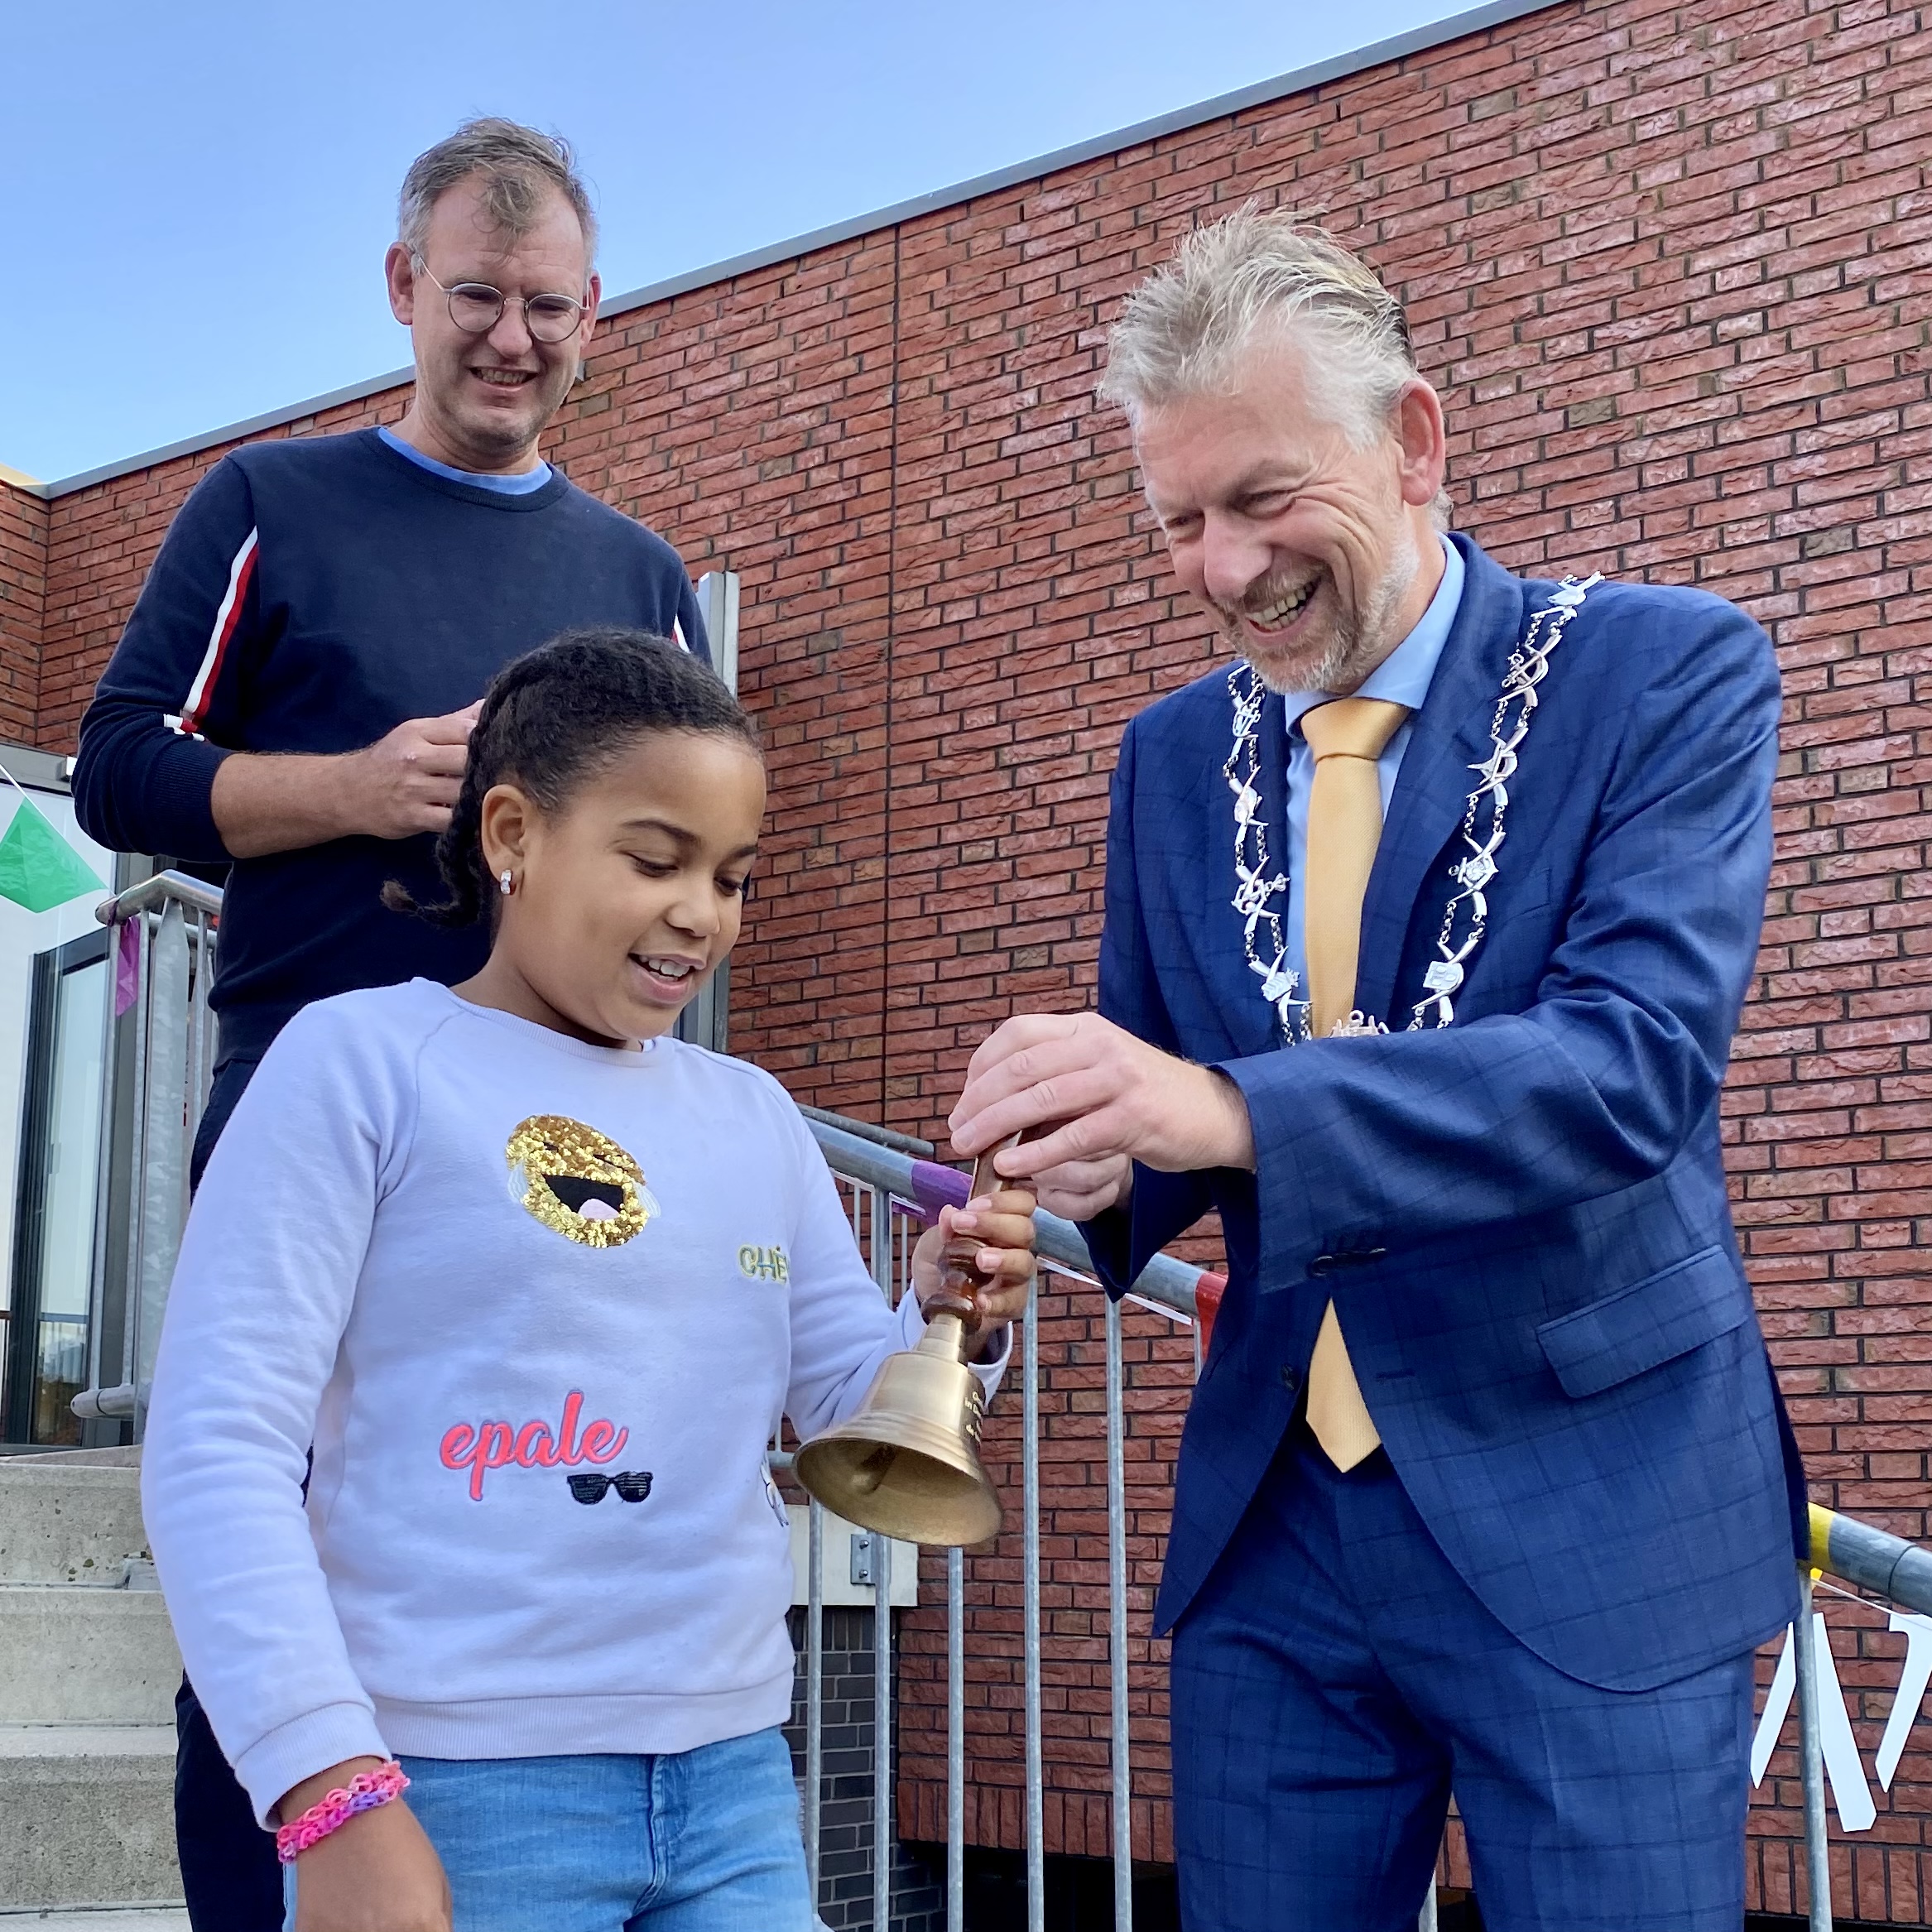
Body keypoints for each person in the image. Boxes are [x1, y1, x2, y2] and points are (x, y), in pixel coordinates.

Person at [949, 212, 1805, 1932]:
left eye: (1265, 501)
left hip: (1605, 1516)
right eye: (1179, 521)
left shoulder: (1669, 668)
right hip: (1278, 1544)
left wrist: (1223, 1108)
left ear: (1415, 439)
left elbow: (1632, 1068)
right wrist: (1095, 1171)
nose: (1220, 568)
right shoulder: (1166, 755)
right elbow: (1176, 1105)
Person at [139, 630, 1036, 1932]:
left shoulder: (755, 1113)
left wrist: (951, 1314)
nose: (701, 913)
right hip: (446, 1783)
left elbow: (851, 1418)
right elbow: (215, 1446)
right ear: (512, 831)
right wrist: (325, 1784)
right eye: (654, 858)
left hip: (734, 1782)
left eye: (731, 877)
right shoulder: (362, 1063)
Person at [70, 119, 709, 1925]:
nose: (511, 340)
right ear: (403, 293)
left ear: (598, 314)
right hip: (308, 1114)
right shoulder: (267, 506)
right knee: (273, 1543)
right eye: (476, 299)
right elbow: (122, 770)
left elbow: (687, 840)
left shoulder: (645, 574)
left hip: (569, 1138)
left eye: (549, 308)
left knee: (530, 1545)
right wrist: (355, 788)